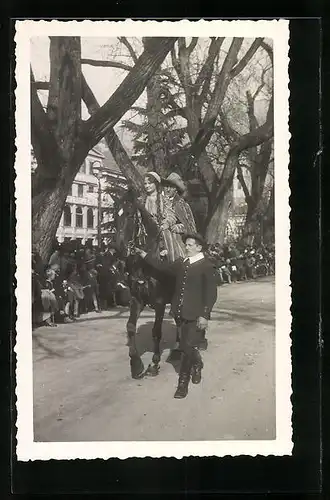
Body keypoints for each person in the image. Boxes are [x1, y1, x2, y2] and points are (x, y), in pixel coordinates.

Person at [135, 232, 218, 399]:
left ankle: (183, 383)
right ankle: (197, 363)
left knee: (186, 346)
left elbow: (211, 293)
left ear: (198, 247)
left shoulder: (206, 266)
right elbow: (163, 268)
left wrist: (204, 315)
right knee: (188, 346)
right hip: (179, 312)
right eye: (186, 245)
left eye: (189, 245)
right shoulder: (182, 263)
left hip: (195, 314)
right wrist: (145, 255)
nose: (186, 247)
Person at [139, 172, 186, 262]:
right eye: (145, 183)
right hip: (145, 233)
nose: (147, 186)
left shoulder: (164, 200)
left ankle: (172, 262)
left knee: (170, 245)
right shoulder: (141, 200)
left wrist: (165, 224)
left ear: (156, 184)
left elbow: (171, 215)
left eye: (150, 183)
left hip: (162, 231)